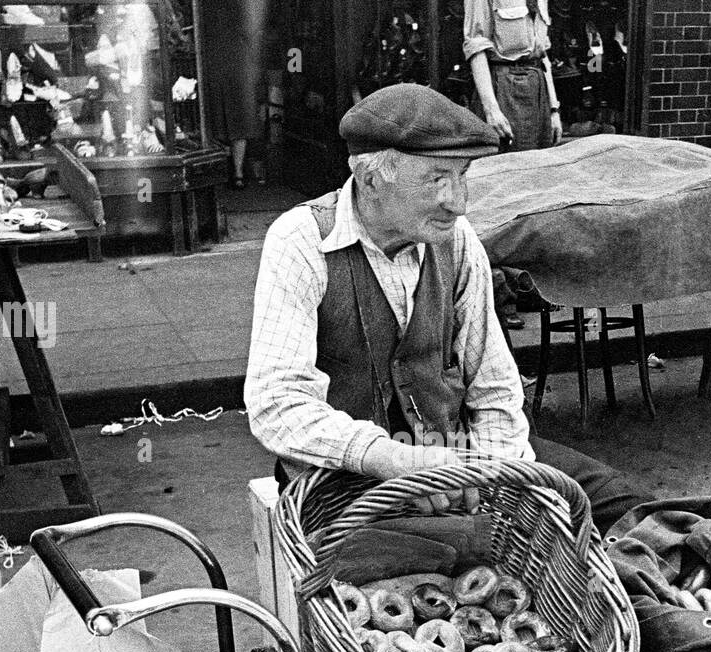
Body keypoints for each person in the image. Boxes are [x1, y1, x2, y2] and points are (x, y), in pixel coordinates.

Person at [244, 83, 650, 534]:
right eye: (438, 178)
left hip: (456, 449)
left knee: (627, 504)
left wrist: (497, 479)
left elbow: (493, 386)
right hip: (347, 478)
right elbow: (278, 404)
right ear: (372, 178)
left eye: (462, 176)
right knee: (443, 554)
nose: (458, 201)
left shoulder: (456, 240)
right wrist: (393, 459)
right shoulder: (300, 241)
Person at [463, 0, 563, 152]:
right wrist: (492, 111)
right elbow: (476, 47)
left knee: (541, 165)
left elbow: (543, 55)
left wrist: (553, 109)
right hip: (505, 87)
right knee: (508, 165)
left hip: (538, 87)